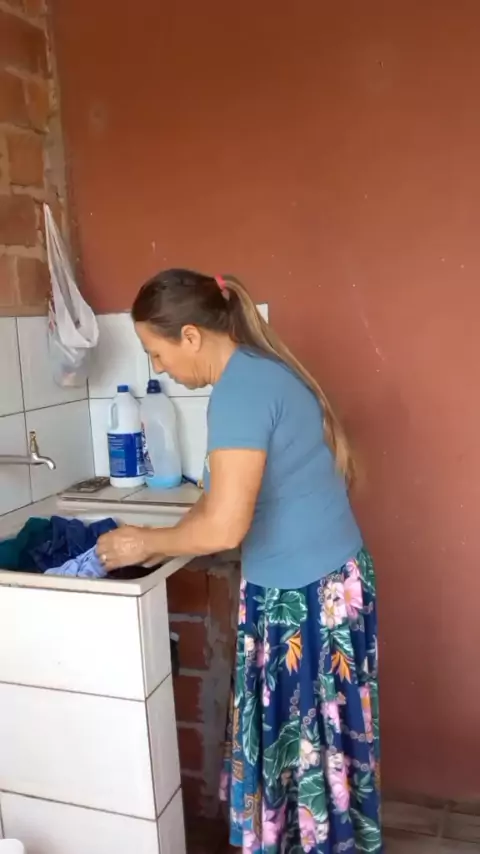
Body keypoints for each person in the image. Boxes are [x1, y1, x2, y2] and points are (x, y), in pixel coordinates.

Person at [97, 269, 382, 854]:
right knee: (315, 752)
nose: (158, 368)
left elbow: (225, 525)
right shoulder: (255, 372)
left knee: (303, 751)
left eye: (157, 352)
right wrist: (166, 532)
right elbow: (218, 498)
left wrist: (147, 543)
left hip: (306, 598)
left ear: (192, 336)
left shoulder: (240, 391)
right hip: (320, 584)